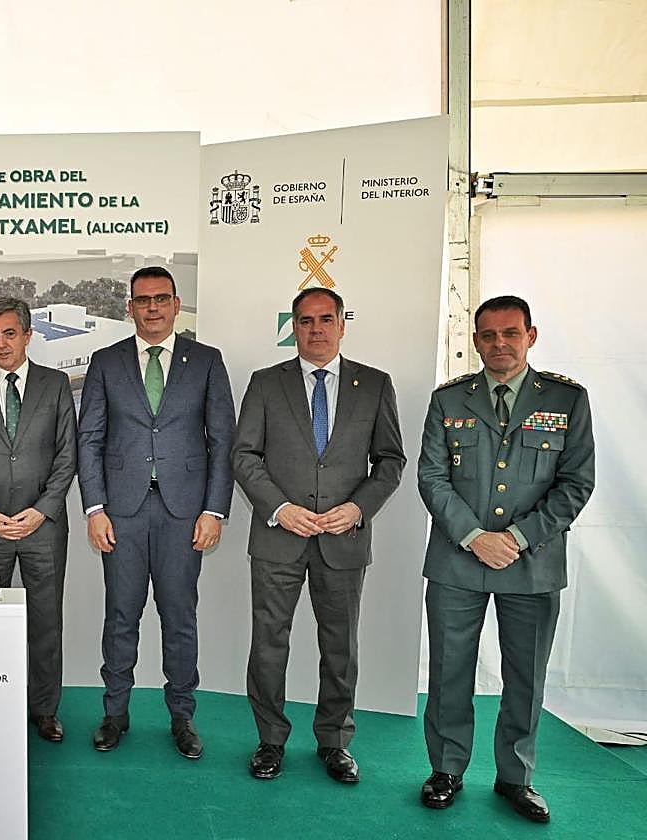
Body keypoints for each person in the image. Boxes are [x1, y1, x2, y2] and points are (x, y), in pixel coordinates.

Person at [417, 295, 594, 823]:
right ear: (475, 340)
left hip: (532, 563)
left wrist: (516, 537)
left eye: (510, 334)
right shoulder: (449, 401)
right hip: (458, 560)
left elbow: (576, 483)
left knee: (525, 674)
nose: (499, 344)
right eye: (488, 335)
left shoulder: (567, 400)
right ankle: (446, 769)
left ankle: (515, 777)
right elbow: (431, 477)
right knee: (451, 671)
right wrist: (474, 535)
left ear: (530, 336)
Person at [232, 287, 404, 784]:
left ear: (342, 324)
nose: (316, 330)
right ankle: (270, 740)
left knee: (341, 647)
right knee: (269, 644)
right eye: (305, 321)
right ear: (293, 327)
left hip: (343, 540)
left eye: (326, 320)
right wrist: (280, 508)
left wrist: (357, 508)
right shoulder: (266, 383)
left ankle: (334, 741)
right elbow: (244, 456)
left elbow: (390, 461)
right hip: (277, 539)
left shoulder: (373, 385)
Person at [78, 266, 236, 759]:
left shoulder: (206, 361)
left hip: (184, 512)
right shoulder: (105, 362)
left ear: (176, 304)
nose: (152, 308)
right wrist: (95, 508)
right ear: (129, 307)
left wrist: (215, 510)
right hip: (120, 512)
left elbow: (222, 440)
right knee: (120, 615)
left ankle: (183, 716)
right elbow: (91, 439)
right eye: (143, 300)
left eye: (161, 299)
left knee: (179, 616)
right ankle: (115, 712)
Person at [0, 297, 78, 742]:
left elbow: (68, 456)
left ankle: (45, 710)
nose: (1, 344)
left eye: (10, 333)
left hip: (41, 528)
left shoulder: (56, 384)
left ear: (28, 334)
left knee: (45, 622)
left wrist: (42, 511)